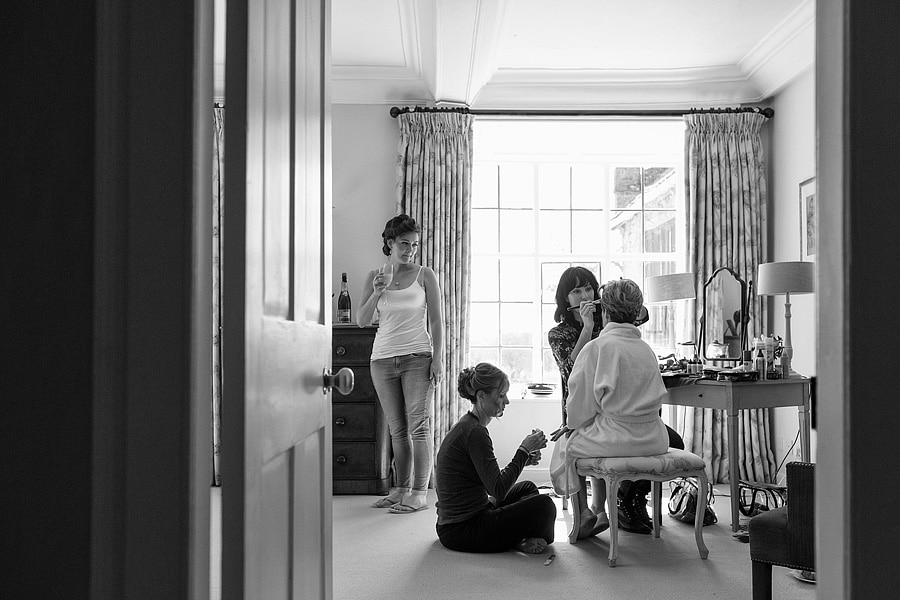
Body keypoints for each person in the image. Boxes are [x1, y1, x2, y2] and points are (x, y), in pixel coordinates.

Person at [549, 276, 682, 538]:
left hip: (617, 438)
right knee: (580, 433)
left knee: (566, 443)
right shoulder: (646, 349)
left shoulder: (596, 348)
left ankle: (586, 515)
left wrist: (571, 427)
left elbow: (577, 409)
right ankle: (602, 509)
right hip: (654, 438)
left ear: (605, 310)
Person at [358, 214, 444, 514]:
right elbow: (362, 320)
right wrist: (378, 292)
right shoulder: (374, 276)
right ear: (390, 243)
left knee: (419, 427)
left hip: (418, 357)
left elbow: (436, 320)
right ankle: (400, 489)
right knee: (397, 430)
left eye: (415, 244)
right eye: (404, 244)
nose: (410, 249)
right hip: (381, 359)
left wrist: (438, 359)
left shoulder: (425, 275)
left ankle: (420, 492)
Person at [434, 363, 556, 554]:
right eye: (501, 396)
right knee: (545, 506)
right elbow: (497, 489)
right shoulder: (475, 432)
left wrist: (524, 459)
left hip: (468, 518)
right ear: (481, 396)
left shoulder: (469, 425)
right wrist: (523, 450)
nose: (506, 401)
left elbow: (488, 480)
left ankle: (517, 539)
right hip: (462, 529)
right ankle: (519, 539)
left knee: (528, 488)